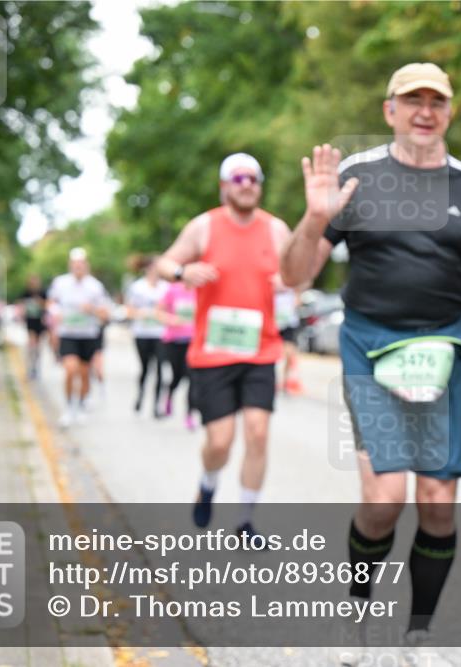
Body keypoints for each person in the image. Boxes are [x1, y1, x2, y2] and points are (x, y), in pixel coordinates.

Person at [280, 63, 461, 664]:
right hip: (370, 348)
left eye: (437, 101)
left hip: (444, 351)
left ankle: (419, 634)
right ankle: (356, 616)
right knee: (384, 499)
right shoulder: (358, 177)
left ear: (450, 112)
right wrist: (317, 216)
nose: (424, 111)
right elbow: (294, 275)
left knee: (437, 501)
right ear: (390, 111)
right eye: (412, 101)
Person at [158, 153, 289, 540]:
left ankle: (245, 521)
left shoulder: (276, 229)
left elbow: (297, 271)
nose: (246, 184)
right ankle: (208, 482)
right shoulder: (204, 226)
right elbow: (165, 263)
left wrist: (290, 282)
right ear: (224, 186)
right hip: (213, 352)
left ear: (260, 186)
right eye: (238, 178)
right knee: (220, 441)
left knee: (258, 432)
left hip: (261, 349)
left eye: (253, 178)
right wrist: (184, 271)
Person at [48, 248, 111, 428]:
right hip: (68, 334)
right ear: (70, 265)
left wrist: (91, 309)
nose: (78, 268)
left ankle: (82, 403)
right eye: (75, 265)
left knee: (84, 374)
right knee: (70, 369)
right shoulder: (60, 283)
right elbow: (51, 303)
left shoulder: (95, 286)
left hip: (88, 335)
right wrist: (55, 314)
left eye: (81, 265)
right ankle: (68, 408)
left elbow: (105, 313)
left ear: (86, 266)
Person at [125, 256, 169, 418]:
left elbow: (171, 309)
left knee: (160, 369)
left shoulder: (166, 288)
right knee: (145, 368)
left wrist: (162, 313)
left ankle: (157, 406)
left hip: (161, 334)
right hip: (142, 333)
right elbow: (129, 311)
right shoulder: (138, 288)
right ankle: (141, 396)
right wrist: (142, 313)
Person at [157, 275, 199, 428]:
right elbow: (159, 311)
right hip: (173, 341)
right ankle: (169, 395)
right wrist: (171, 319)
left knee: (192, 378)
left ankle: (189, 414)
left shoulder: (200, 291)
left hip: (194, 342)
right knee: (177, 376)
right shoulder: (173, 290)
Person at [16, 275, 48, 379]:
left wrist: (40, 302)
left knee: (38, 347)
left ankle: (36, 366)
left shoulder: (43, 292)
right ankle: (31, 367)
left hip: (41, 322)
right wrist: (22, 310)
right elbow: (20, 304)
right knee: (31, 344)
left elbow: (48, 305)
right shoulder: (26, 293)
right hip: (30, 322)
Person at [274, 285, 304, 395]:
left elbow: (299, 301)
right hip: (274, 321)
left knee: (289, 352)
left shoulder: (293, 283)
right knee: (272, 352)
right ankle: (274, 379)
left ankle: (285, 381)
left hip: (289, 323)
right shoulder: (274, 281)